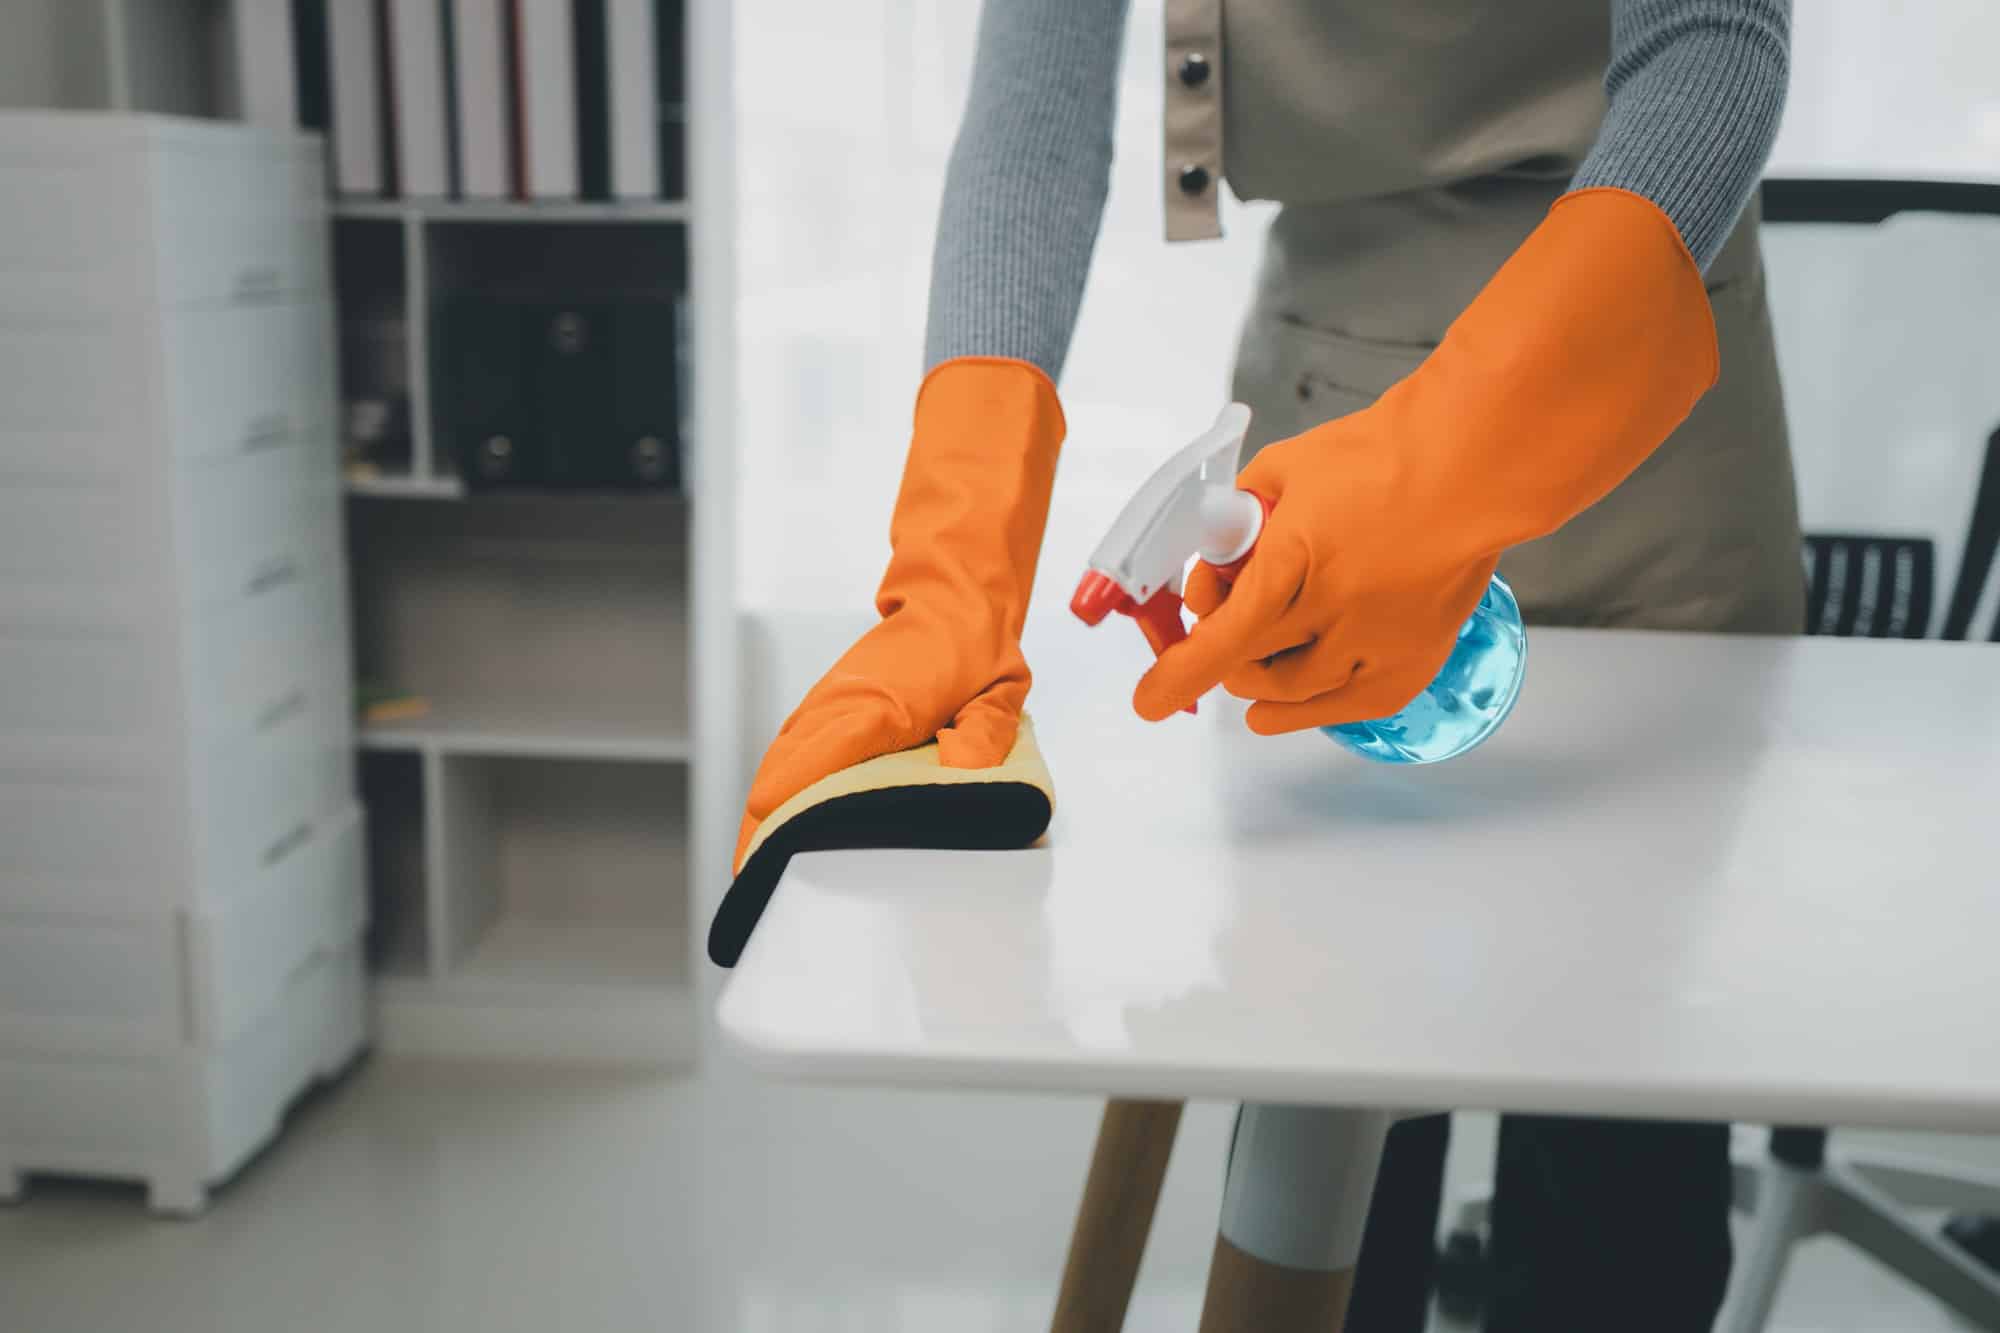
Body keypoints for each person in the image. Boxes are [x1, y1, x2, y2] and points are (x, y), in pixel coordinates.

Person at [734, 1, 1804, 1327]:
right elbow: (1036, 126)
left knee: (1617, 1169)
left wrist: (1447, 462)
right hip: (1315, 462)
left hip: (1641, 461)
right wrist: (953, 567)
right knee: (1326, 1151)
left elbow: (1712, 49)